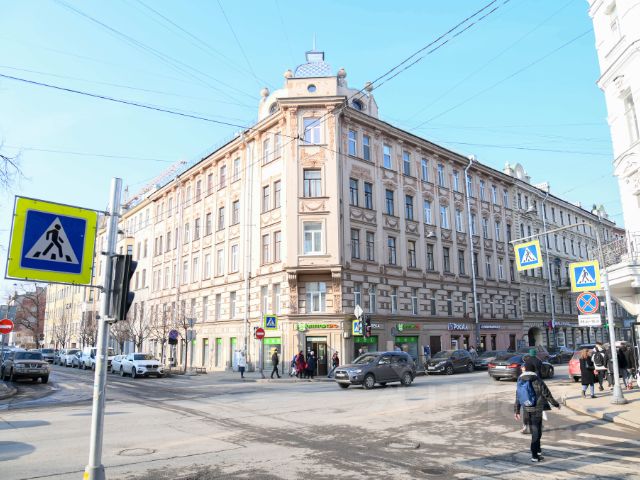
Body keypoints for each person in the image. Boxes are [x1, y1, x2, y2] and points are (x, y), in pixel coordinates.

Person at [514, 363, 561, 463]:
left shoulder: (520, 380)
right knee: (536, 432)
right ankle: (534, 455)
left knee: (535, 431)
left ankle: (538, 451)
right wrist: (556, 404)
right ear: (533, 370)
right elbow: (547, 394)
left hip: (526, 408)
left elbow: (518, 396)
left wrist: (517, 411)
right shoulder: (537, 379)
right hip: (537, 409)